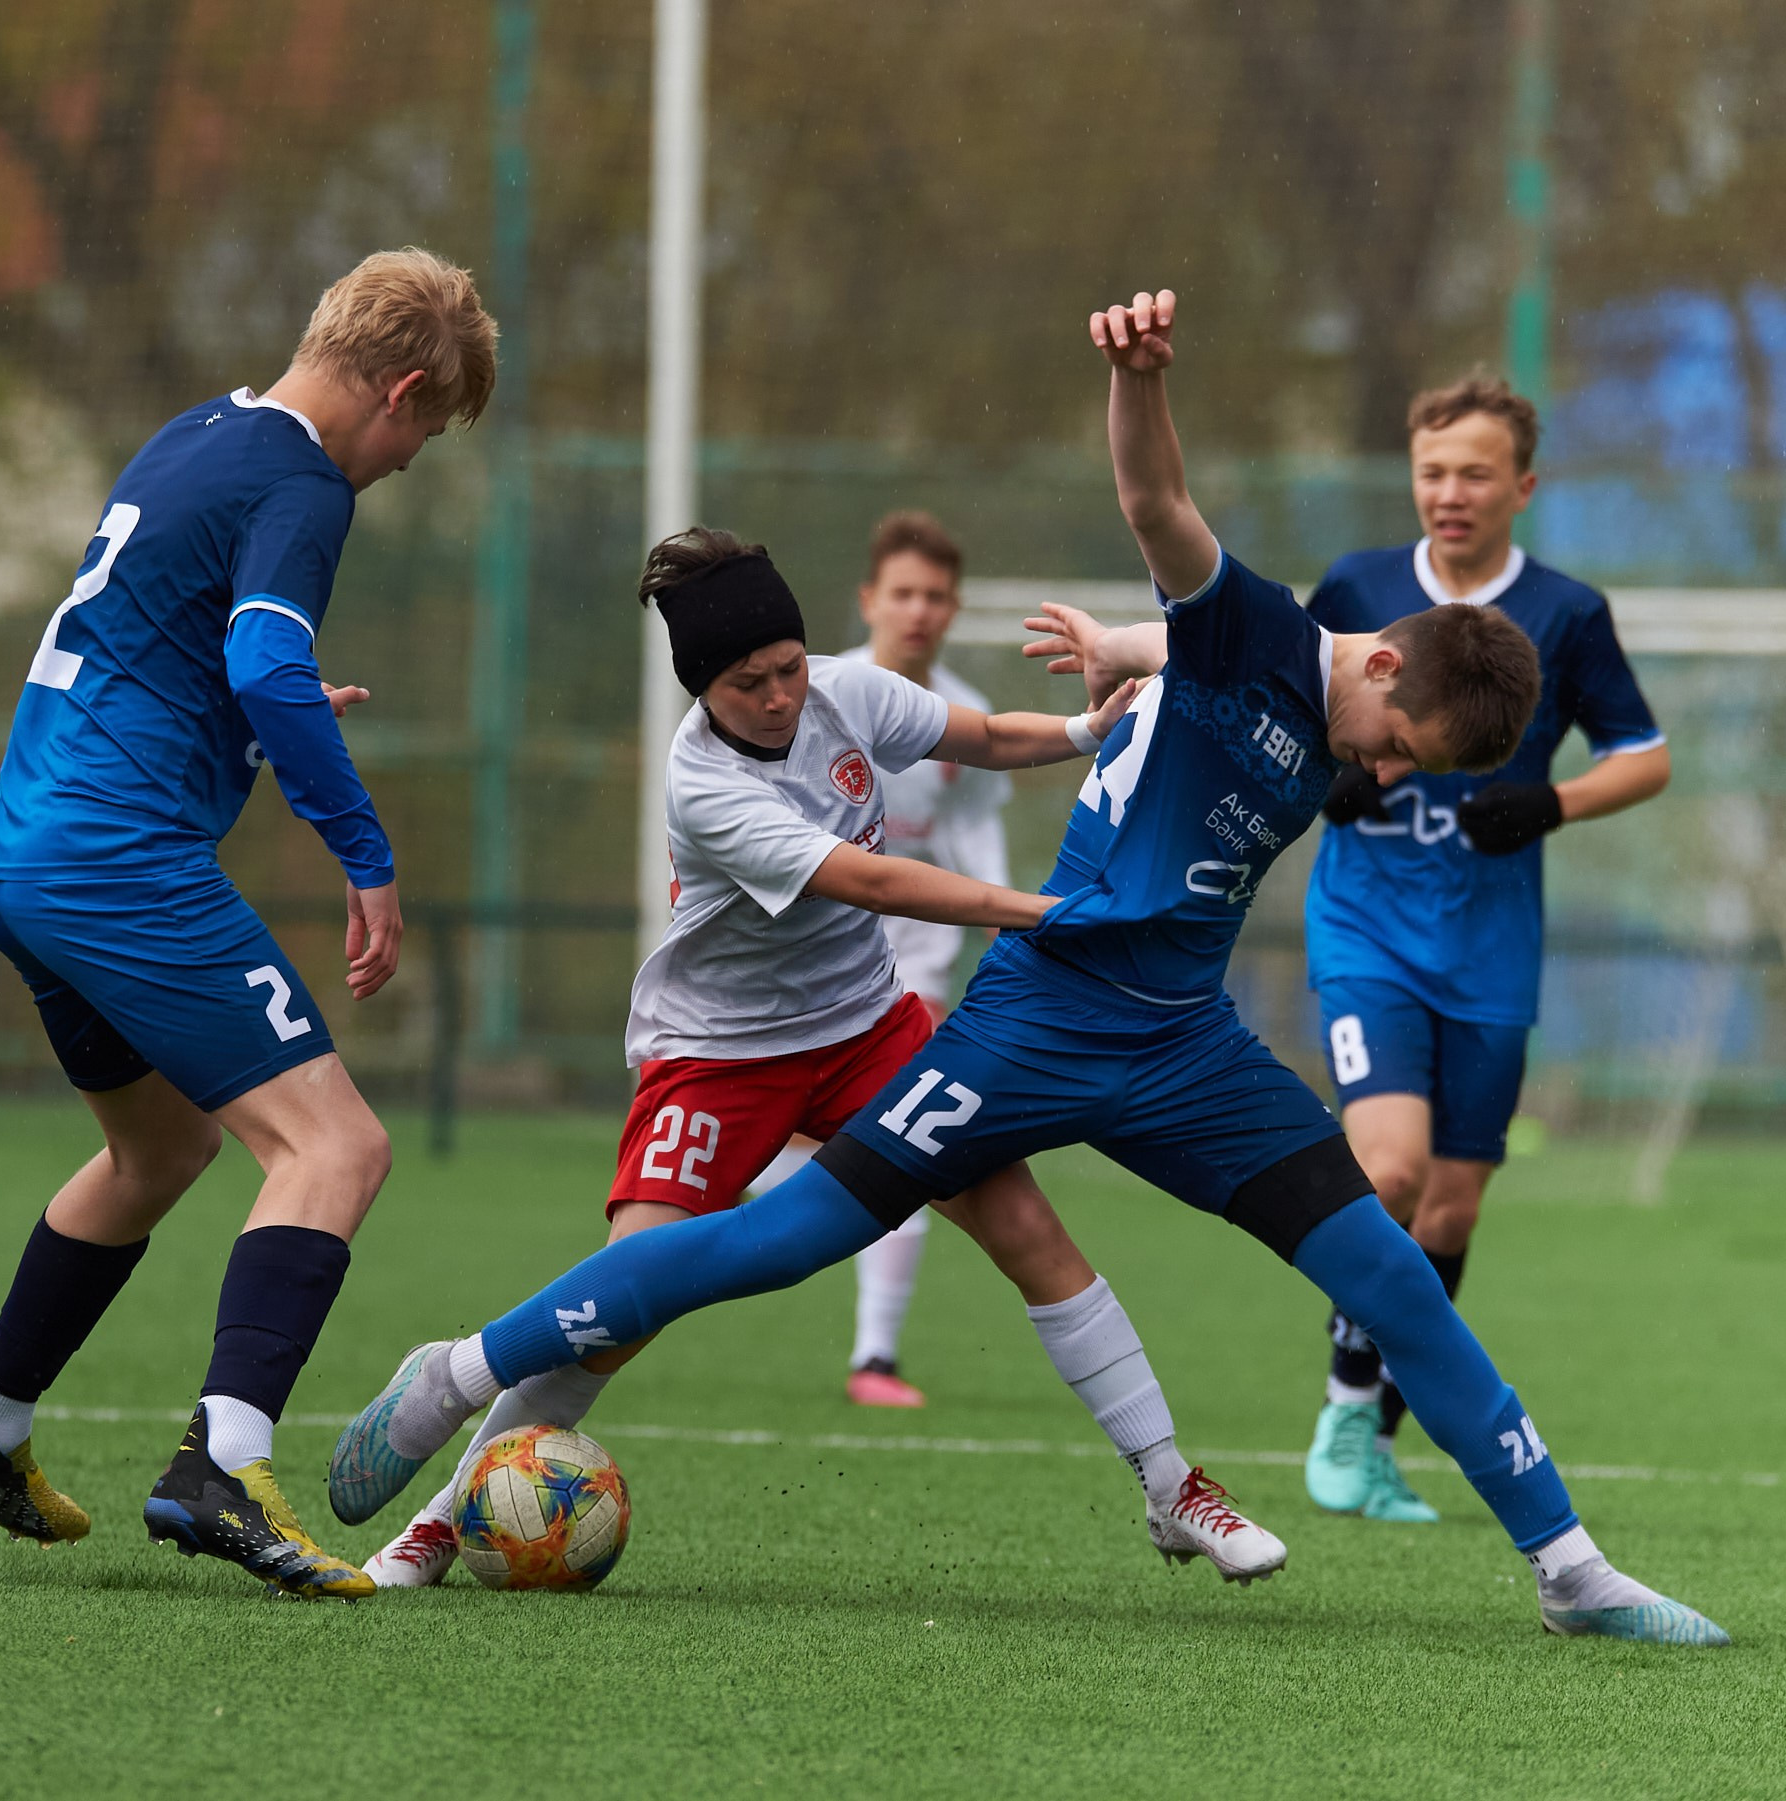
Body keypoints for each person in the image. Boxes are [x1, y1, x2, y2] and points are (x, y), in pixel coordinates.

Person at [330, 289, 1729, 1646]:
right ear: (1375, 660)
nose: (1378, 773)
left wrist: (1111, 669)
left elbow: (1144, 673)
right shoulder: (1253, 630)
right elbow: (1157, 510)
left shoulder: (1307, 700)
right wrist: (1140, 377)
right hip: (1032, 1025)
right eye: (1392, 744)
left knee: (1394, 1273)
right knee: (778, 1244)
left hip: (1189, 1050)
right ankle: (460, 1368)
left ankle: (1568, 1566)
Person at [357, 526, 1284, 1591]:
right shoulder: (701, 785)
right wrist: (1044, 911)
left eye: (788, 667)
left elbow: (976, 735)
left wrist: (1081, 728)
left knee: (1023, 1222)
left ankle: (1172, 1488)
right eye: (748, 682)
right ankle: (445, 1517)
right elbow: (880, 885)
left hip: (867, 1031)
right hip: (716, 1056)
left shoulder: (848, 689)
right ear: (702, 688)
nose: (780, 695)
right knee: (622, 1301)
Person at [0, 249, 494, 1600]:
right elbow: (262, 657)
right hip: (115, 856)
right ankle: (222, 1462)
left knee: (158, 1146)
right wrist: (365, 850)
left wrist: (259, 708)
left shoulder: (197, 435)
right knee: (337, 1147)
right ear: (399, 390)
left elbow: (170, 643)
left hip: (21, 844)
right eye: (426, 434)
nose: (408, 463)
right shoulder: (304, 481)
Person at [1299, 377, 1668, 1524]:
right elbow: (1284, 715)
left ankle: (1371, 1431)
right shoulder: (1358, 588)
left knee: (1450, 1211)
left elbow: (1643, 754)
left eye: (1472, 472)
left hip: (1492, 948)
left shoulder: (1565, 612)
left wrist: (1548, 806)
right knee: (1390, 1169)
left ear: (1522, 484)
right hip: (1365, 927)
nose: (1448, 493)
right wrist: (1333, 783)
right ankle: (1343, 1415)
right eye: (1430, 471)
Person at [746, 511, 1021, 1408]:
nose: (921, 610)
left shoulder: (958, 715)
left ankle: (874, 1356)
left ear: (954, 608)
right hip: (808, 957)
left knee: (916, 1141)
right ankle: (683, 1263)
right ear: (870, 599)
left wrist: (1008, 910)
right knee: (781, 1146)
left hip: (913, 966)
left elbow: (974, 825)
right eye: (904, 592)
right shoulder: (816, 697)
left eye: (937, 596)